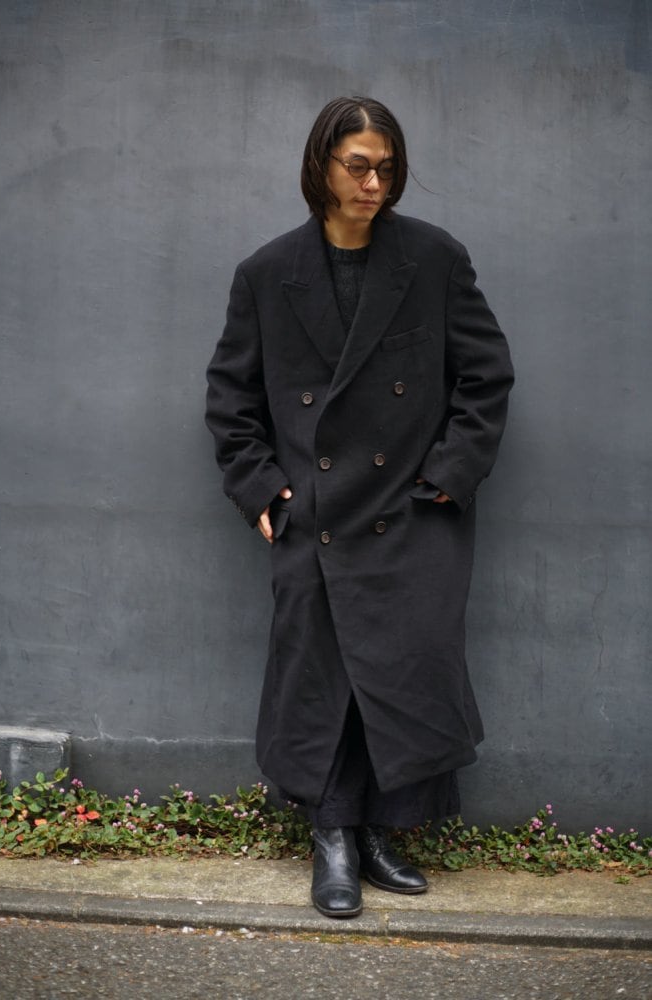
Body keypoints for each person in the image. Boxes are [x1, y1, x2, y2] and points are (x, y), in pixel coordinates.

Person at [205, 96, 514, 919]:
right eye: (358, 166)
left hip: (411, 510)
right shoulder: (267, 274)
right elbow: (231, 399)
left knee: (404, 672)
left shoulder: (433, 259)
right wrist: (259, 488)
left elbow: (484, 376)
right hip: (315, 515)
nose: (374, 183)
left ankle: (381, 830)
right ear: (322, 167)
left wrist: (449, 476)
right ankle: (332, 835)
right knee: (324, 678)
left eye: (386, 168)